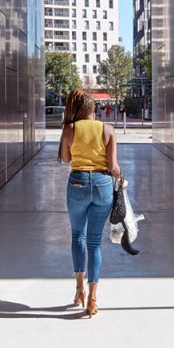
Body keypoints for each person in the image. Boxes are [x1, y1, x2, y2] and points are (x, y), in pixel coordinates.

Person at [58, 87, 121, 317]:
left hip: (78, 183)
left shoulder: (70, 128)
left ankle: (78, 290)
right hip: (103, 185)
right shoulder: (108, 129)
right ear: (92, 108)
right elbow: (113, 167)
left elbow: (66, 159)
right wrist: (120, 177)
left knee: (78, 236)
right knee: (95, 243)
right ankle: (93, 299)